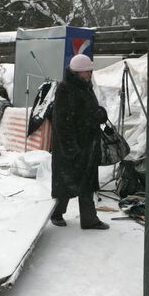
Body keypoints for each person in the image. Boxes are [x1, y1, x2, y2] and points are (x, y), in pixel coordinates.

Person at [50, 53, 109, 230]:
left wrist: (100, 114)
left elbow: (89, 110)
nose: (90, 74)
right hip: (71, 146)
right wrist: (71, 150)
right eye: (87, 71)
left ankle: (89, 219)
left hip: (87, 145)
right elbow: (62, 123)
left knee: (87, 184)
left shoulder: (85, 86)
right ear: (78, 72)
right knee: (66, 182)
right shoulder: (65, 89)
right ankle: (56, 213)